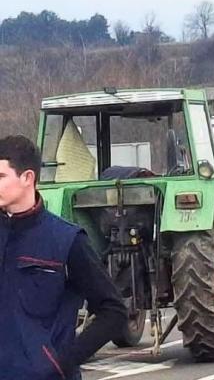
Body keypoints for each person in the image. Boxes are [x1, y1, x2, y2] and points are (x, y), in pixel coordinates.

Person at [0, 135, 127, 380]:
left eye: (1, 176)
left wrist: (62, 362)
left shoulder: (66, 240)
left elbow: (113, 311)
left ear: (27, 178)